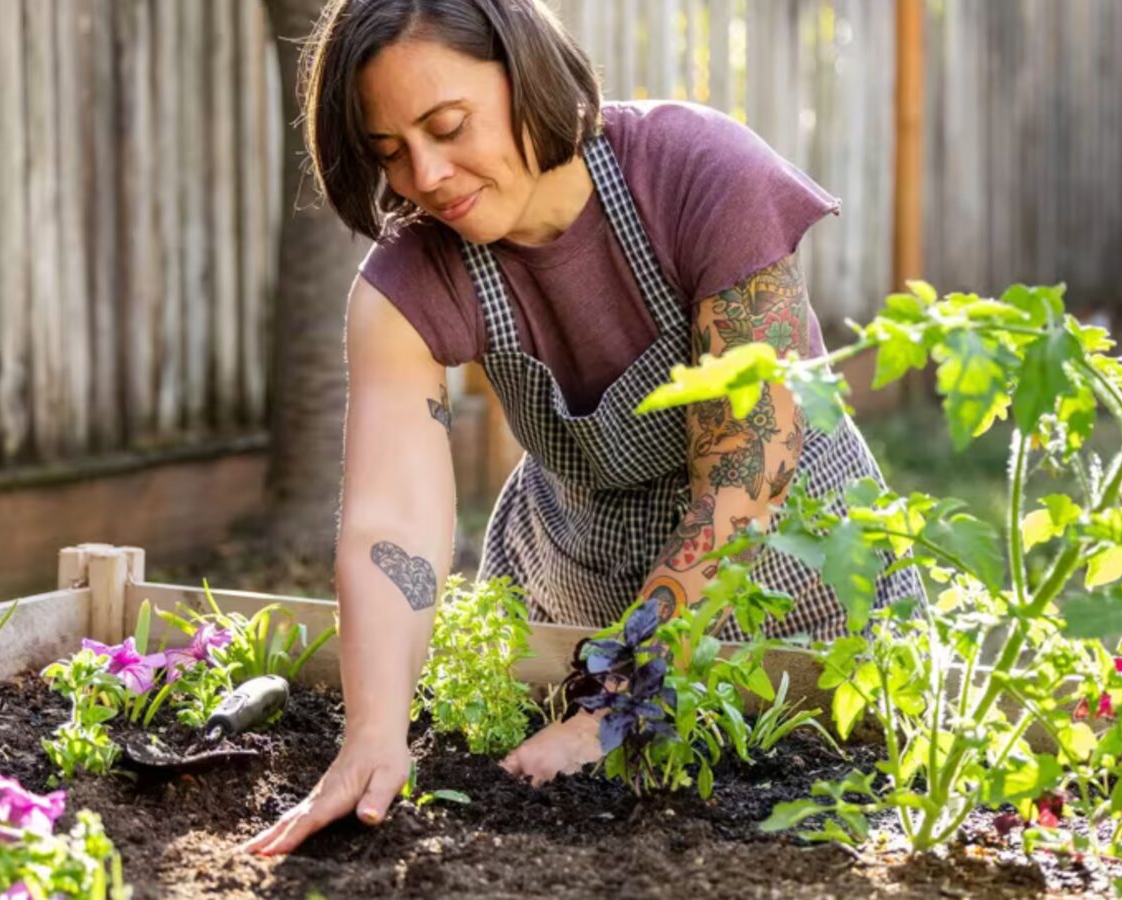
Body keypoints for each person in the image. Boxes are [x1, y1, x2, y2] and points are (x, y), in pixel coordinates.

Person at [242, 0, 922, 856]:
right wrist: (374, 735)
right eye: (391, 153)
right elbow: (393, 527)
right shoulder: (405, 286)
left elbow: (750, 467)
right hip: (574, 566)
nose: (426, 175)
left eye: (448, 125)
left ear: (523, 70)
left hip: (795, 564)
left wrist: (617, 705)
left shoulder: (701, 171)